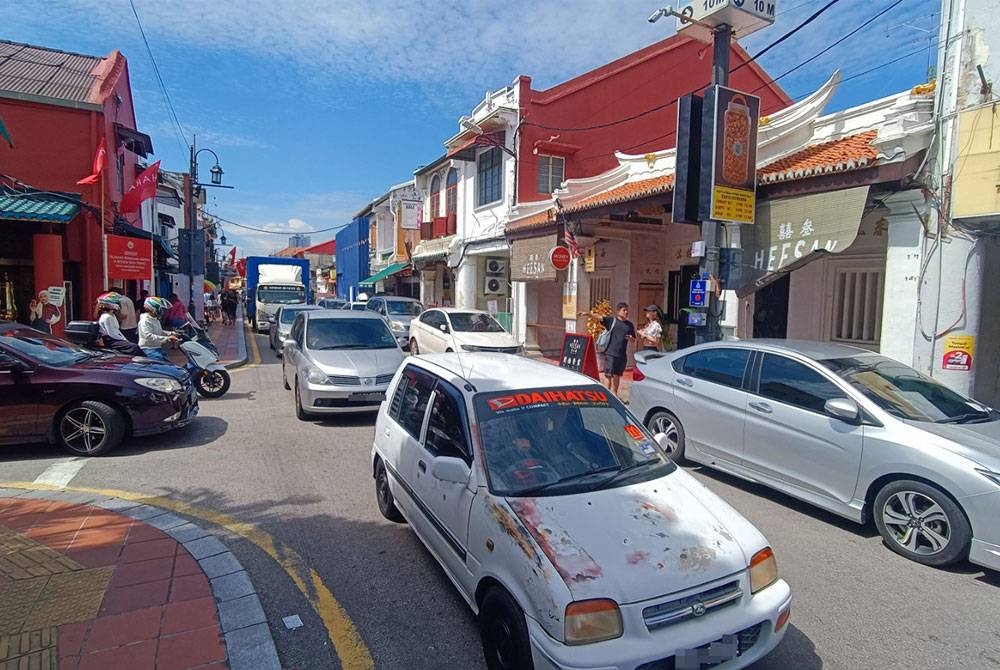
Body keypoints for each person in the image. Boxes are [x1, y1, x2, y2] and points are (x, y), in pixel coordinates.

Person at [579, 302, 636, 397]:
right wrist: (588, 314)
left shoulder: (629, 325)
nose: (626, 312)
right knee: (608, 375)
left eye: (627, 310)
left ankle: (615, 395)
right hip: (611, 353)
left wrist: (630, 338)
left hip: (622, 355)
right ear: (618, 311)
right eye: (624, 310)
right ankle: (605, 396)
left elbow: (633, 339)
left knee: (617, 375)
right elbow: (600, 317)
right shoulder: (612, 321)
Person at [139, 297, 178, 362]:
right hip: (148, 349)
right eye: (160, 309)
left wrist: (170, 333)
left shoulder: (155, 319)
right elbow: (148, 336)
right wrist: (167, 339)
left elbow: (159, 331)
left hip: (157, 348)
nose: (162, 311)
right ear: (153, 308)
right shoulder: (145, 321)